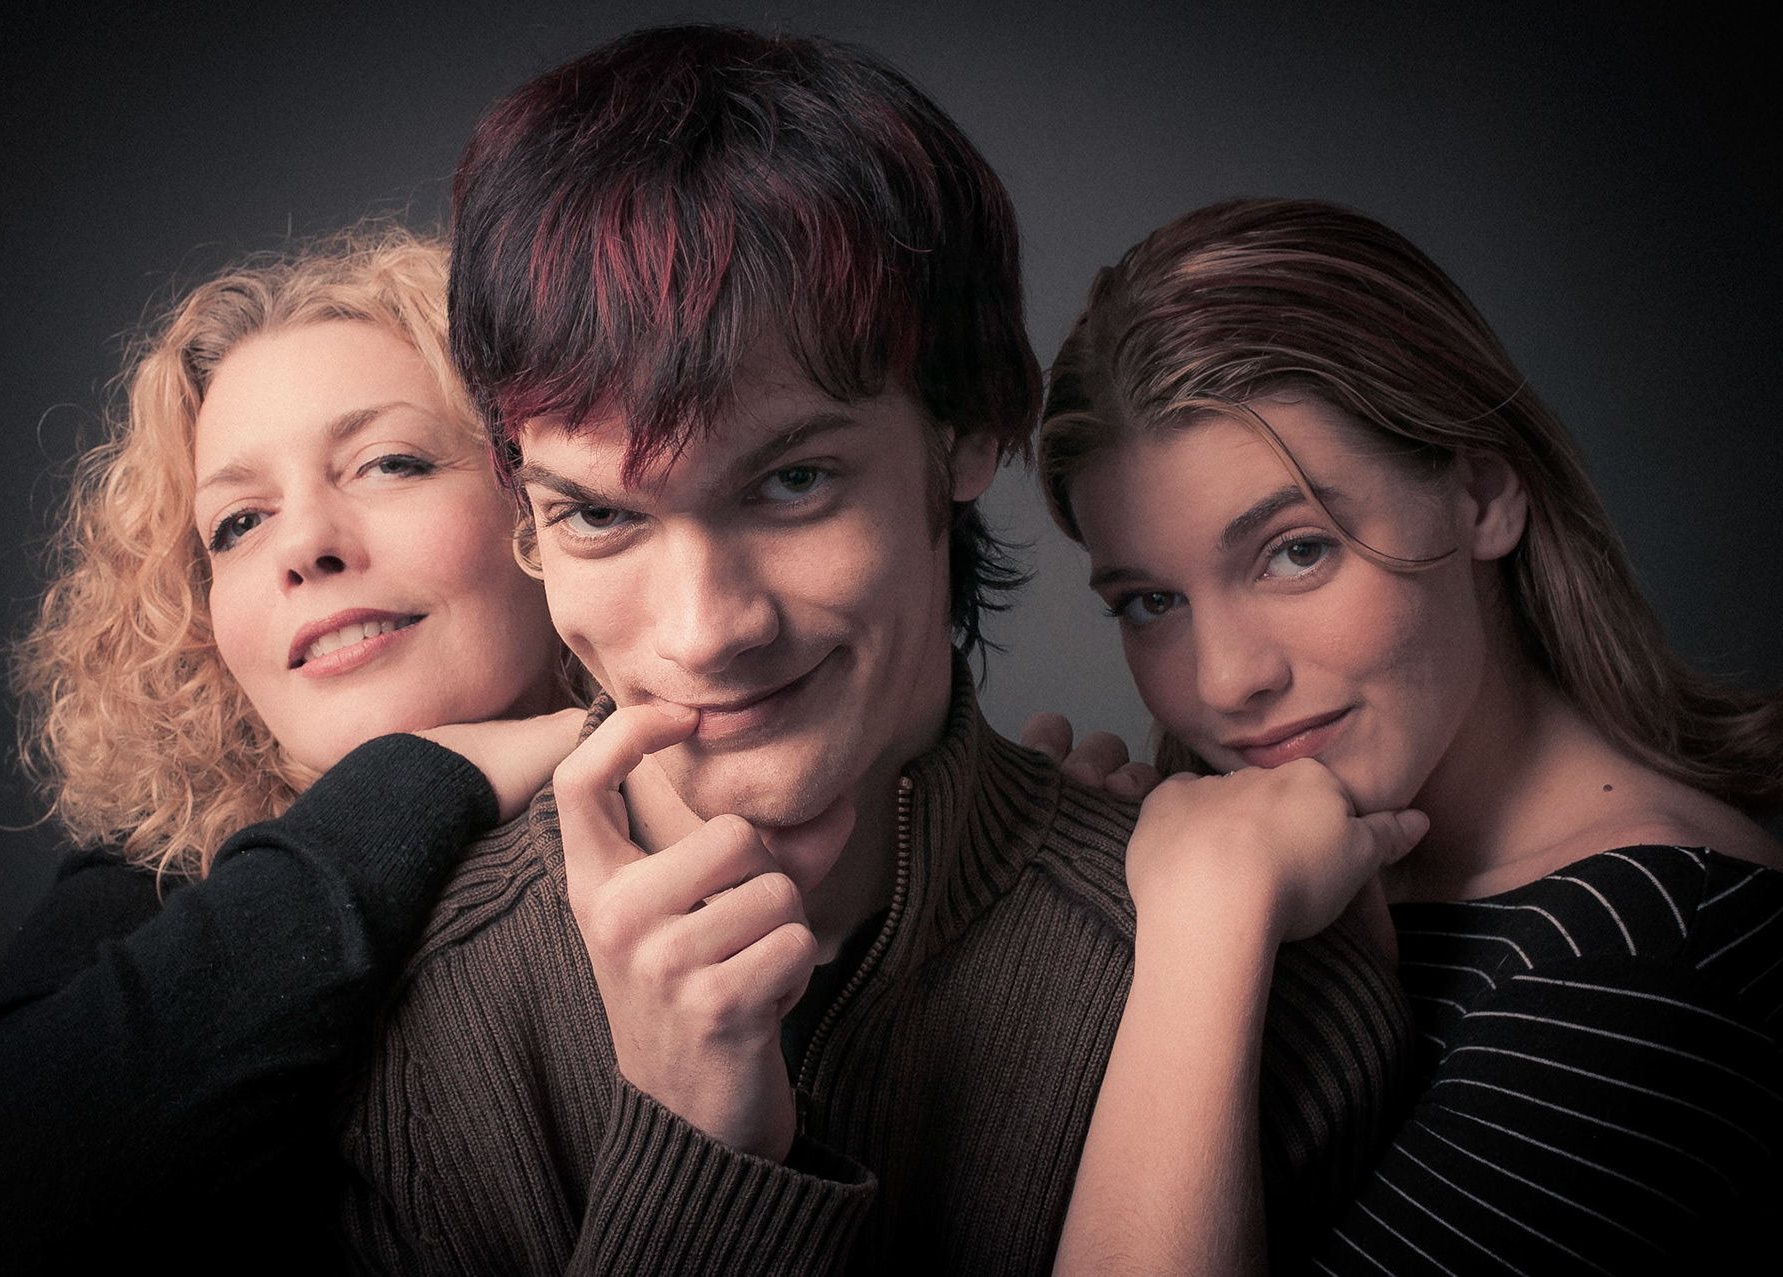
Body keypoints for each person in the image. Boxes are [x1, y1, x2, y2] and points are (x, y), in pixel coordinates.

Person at [338, 29, 1416, 1274]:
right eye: (599, 514)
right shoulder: (404, 1020)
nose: (705, 632)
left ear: (969, 434)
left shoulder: (1280, 995)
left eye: (792, 481)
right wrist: (694, 1160)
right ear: (523, 506)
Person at [1038, 198, 1783, 1274]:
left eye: (1295, 551)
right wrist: (1064, 962)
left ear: (1482, 494)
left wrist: (1200, 935)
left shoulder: (1655, 962)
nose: (1226, 678)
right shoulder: (1305, 881)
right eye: (1150, 601)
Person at [0, 227, 586, 1274]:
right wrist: (412, 786)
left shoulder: (738, 804)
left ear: (549, 503)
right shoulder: (150, 889)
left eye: (390, 462)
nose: (305, 544)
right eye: (237, 522)